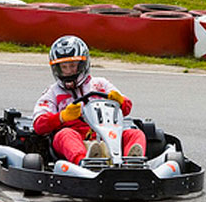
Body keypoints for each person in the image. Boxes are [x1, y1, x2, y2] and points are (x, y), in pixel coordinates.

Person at [32, 35, 146, 165]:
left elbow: (126, 109)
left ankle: (132, 163)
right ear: (56, 69)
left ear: (82, 64)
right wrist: (62, 117)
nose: (69, 71)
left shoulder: (101, 84)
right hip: (75, 139)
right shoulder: (53, 92)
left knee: (135, 134)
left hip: (107, 136)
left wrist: (120, 100)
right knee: (65, 134)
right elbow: (39, 125)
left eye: (73, 65)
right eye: (64, 67)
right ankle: (86, 162)